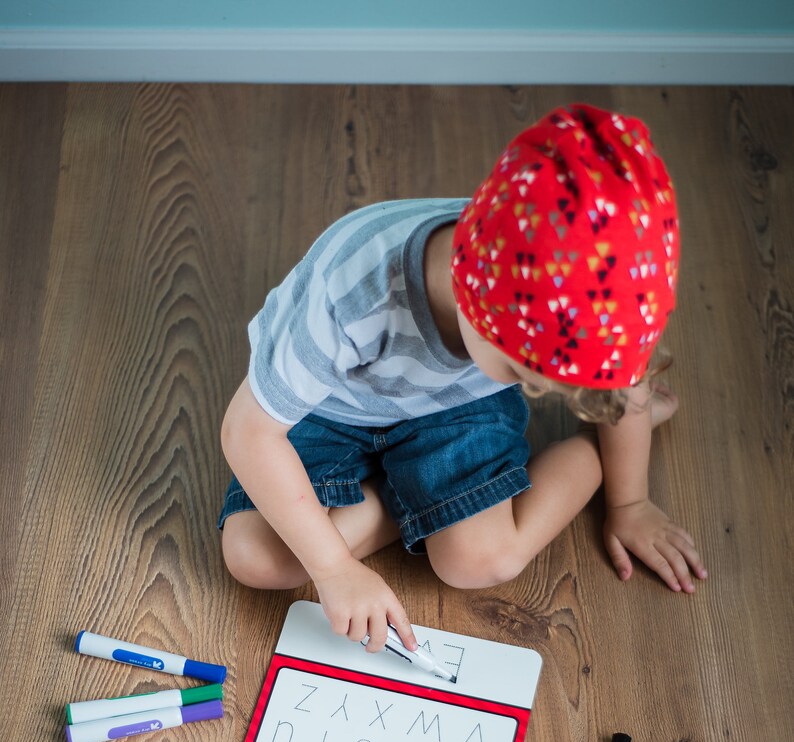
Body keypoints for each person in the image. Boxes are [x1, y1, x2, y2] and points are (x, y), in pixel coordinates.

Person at [219, 103, 707, 655]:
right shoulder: (350, 284)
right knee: (256, 556)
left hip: (454, 409)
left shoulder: (594, 287)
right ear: (470, 292)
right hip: (334, 408)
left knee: (483, 559)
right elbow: (248, 433)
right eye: (526, 374)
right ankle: (408, 501)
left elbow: (622, 385)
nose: (542, 393)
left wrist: (630, 505)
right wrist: (333, 569)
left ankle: (591, 452)